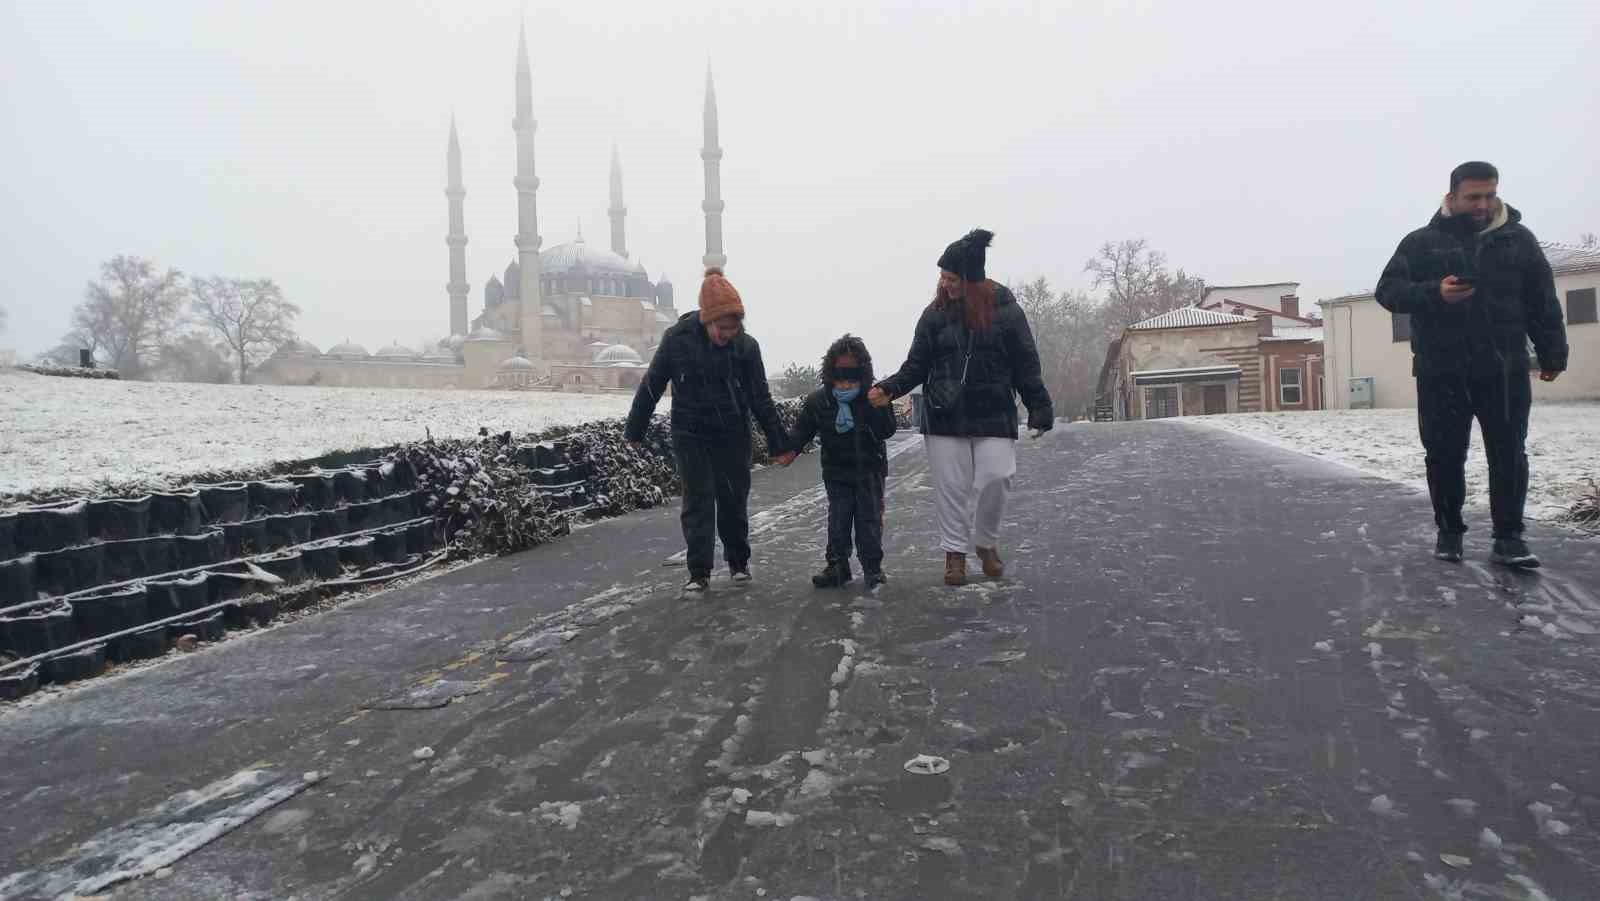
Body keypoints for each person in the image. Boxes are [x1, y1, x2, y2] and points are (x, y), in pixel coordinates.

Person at [1375, 160, 1568, 568]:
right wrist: (1434, 293)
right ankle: (1449, 532)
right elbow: (1388, 291)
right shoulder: (1420, 243)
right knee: (1443, 455)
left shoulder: (1518, 241)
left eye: (1490, 195)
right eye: (1473, 197)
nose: (1483, 204)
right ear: (1452, 197)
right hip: (1440, 370)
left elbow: (1543, 302)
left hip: (1504, 370)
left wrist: (1552, 353)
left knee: (1509, 454)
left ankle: (1509, 539)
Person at [868, 228, 1053, 586]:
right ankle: (954, 554)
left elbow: (1025, 363)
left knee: (997, 476)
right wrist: (889, 388)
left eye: (952, 278)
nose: (945, 284)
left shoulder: (1007, 311)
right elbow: (916, 365)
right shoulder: (934, 314)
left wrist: (1039, 407)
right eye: (943, 277)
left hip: (994, 411)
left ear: (972, 281)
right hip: (944, 413)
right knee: (951, 488)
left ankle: (985, 542)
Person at [625, 267, 787, 594]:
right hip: (691, 433)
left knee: (733, 499)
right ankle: (698, 573)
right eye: (721, 328)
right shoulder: (677, 340)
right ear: (706, 319)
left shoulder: (746, 347)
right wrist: (635, 430)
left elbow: (760, 398)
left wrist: (778, 441)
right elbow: (651, 386)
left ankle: (738, 562)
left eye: (733, 328)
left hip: (732, 432)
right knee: (699, 502)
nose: (726, 335)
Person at [775, 335, 898, 590]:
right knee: (838, 520)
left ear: (863, 371)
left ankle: (873, 569)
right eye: (840, 374)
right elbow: (802, 431)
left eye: (852, 374)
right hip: (836, 471)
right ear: (830, 370)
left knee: (869, 520)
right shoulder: (819, 401)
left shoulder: (873, 397)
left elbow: (887, 430)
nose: (845, 382)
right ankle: (837, 567)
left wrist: (880, 405)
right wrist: (790, 451)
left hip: (870, 470)